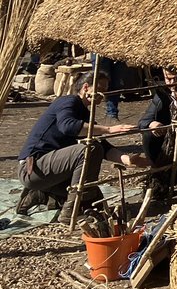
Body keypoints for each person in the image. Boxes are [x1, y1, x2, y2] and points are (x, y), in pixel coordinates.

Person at [16, 71, 151, 216]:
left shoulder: (84, 112)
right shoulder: (68, 101)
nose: (103, 95)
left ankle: (43, 195)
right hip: (34, 168)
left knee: (94, 197)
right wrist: (109, 129)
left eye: (105, 90)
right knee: (90, 150)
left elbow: (103, 145)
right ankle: (71, 212)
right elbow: (68, 126)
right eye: (101, 90)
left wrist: (127, 160)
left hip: (50, 173)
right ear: (86, 88)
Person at [138, 67, 177, 184]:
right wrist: (152, 124)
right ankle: (157, 172)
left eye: (176, 79)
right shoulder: (162, 96)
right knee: (148, 135)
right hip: (167, 145)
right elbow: (143, 122)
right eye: (168, 79)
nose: (172, 83)